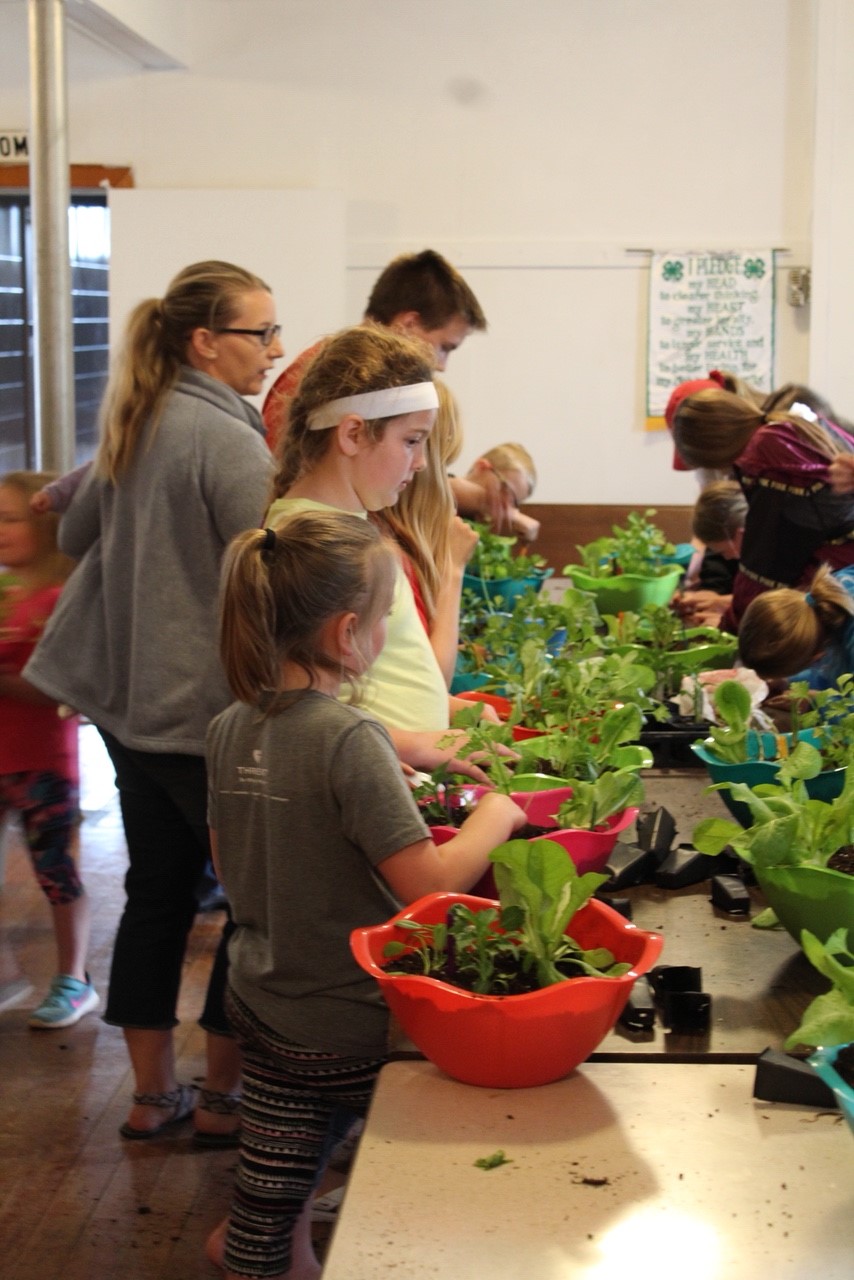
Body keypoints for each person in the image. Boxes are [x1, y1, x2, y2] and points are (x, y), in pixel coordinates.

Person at [205, 510, 526, 1280]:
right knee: (469, 1131)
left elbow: (227, 857)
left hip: (265, 995)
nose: (386, 631)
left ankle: (266, 1251)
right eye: (386, 617)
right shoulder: (351, 739)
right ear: (349, 634)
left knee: (278, 1165)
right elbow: (432, 892)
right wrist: (498, 815)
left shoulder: (226, 727)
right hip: (351, 1021)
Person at [25, 260, 280, 1144]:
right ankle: (219, 1098)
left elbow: (71, 532)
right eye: (261, 334)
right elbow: (272, 566)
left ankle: (148, 1096)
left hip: (130, 716)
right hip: (206, 720)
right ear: (206, 342)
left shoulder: (137, 423)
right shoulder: (227, 438)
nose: (274, 351)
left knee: (157, 897)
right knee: (251, 910)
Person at [266, 324, 503, 770]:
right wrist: (414, 745)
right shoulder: (314, 541)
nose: (419, 464)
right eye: (411, 441)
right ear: (352, 434)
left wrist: (447, 710)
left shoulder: (352, 525)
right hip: (366, 781)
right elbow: (300, 706)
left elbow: (387, 677)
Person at [0, 470, 97, 1028]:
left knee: (55, 872)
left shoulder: (58, 599)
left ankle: (74, 979)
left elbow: (60, 689)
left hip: (42, 765)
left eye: (12, 518)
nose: (2, 530)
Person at [261, 248, 487, 453]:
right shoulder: (329, 378)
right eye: (444, 348)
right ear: (408, 324)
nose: (441, 365)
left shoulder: (355, 379)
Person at [670, 385, 854, 630]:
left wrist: (729, 622)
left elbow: (766, 567)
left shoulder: (764, 453)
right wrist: (727, 604)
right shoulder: (780, 430)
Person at [378, 379, 479, 684]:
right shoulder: (389, 551)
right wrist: (453, 569)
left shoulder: (401, 541)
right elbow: (433, 681)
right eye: (447, 463)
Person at [738, 563, 854, 688]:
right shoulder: (829, 601)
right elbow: (833, 670)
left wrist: (816, 701)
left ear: (815, 657)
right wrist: (789, 681)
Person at [674, 480, 747, 627]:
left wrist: (726, 608)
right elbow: (716, 571)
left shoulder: (774, 553)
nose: (726, 557)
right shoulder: (722, 535)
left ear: (741, 534)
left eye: (724, 551)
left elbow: (784, 602)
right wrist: (709, 594)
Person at [452, 441, 541, 542]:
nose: (506, 507)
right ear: (481, 466)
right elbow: (446, 489)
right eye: (506, 490)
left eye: (514, 504)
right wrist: (513, 516)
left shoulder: (481, 527)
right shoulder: (440, 492)